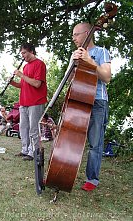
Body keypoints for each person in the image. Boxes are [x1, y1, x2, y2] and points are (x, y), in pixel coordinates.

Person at [69, 22, 111, 191]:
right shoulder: (76, 53)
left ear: (87, 33)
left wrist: (89, 60)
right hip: (78, 100)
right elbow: (71, 79)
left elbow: (106, 77)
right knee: (73, 139)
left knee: (95, 143)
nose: (73, 38)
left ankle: (92, 179)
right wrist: (73, 64)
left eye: (76, 34)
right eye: (73, 35)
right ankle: (67, 171)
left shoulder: (101, 52)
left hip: (98, 101)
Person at [10, 42, 47, 161]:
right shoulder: (25, 67)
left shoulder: (39, 64)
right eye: (21, 53)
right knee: (23, 127)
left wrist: (21, 75)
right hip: (24, 102)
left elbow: (36, 84)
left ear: (31, 51)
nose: (23, 56)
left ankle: (34, 152)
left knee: (33, 128)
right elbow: (23, 85)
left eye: (24, 53)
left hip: (36, 102)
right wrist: (12, 83)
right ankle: (25, 150)